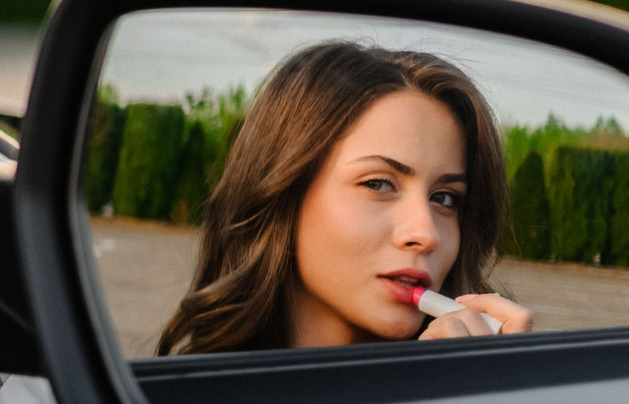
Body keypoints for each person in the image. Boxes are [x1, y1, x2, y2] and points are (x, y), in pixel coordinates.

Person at [157, 40, 534, 354]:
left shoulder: (464, 385)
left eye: (445, 198)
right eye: (377, 184)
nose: (427, 233)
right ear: (284, 191)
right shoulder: (185, 403)